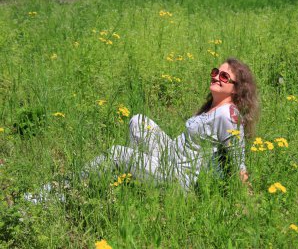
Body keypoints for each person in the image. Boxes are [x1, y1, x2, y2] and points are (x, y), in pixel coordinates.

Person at [88, 57, 260, 190]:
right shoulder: (213, 107)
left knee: (116, 153)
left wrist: (247, 200)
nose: (216, 77)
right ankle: (135, 175)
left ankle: (70, 187)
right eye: (215, 72)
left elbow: (238, 161)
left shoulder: (228, 115)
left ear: (237, 88)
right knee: (138, 121)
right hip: (169, 156)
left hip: (177, 175)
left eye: (224, 76)